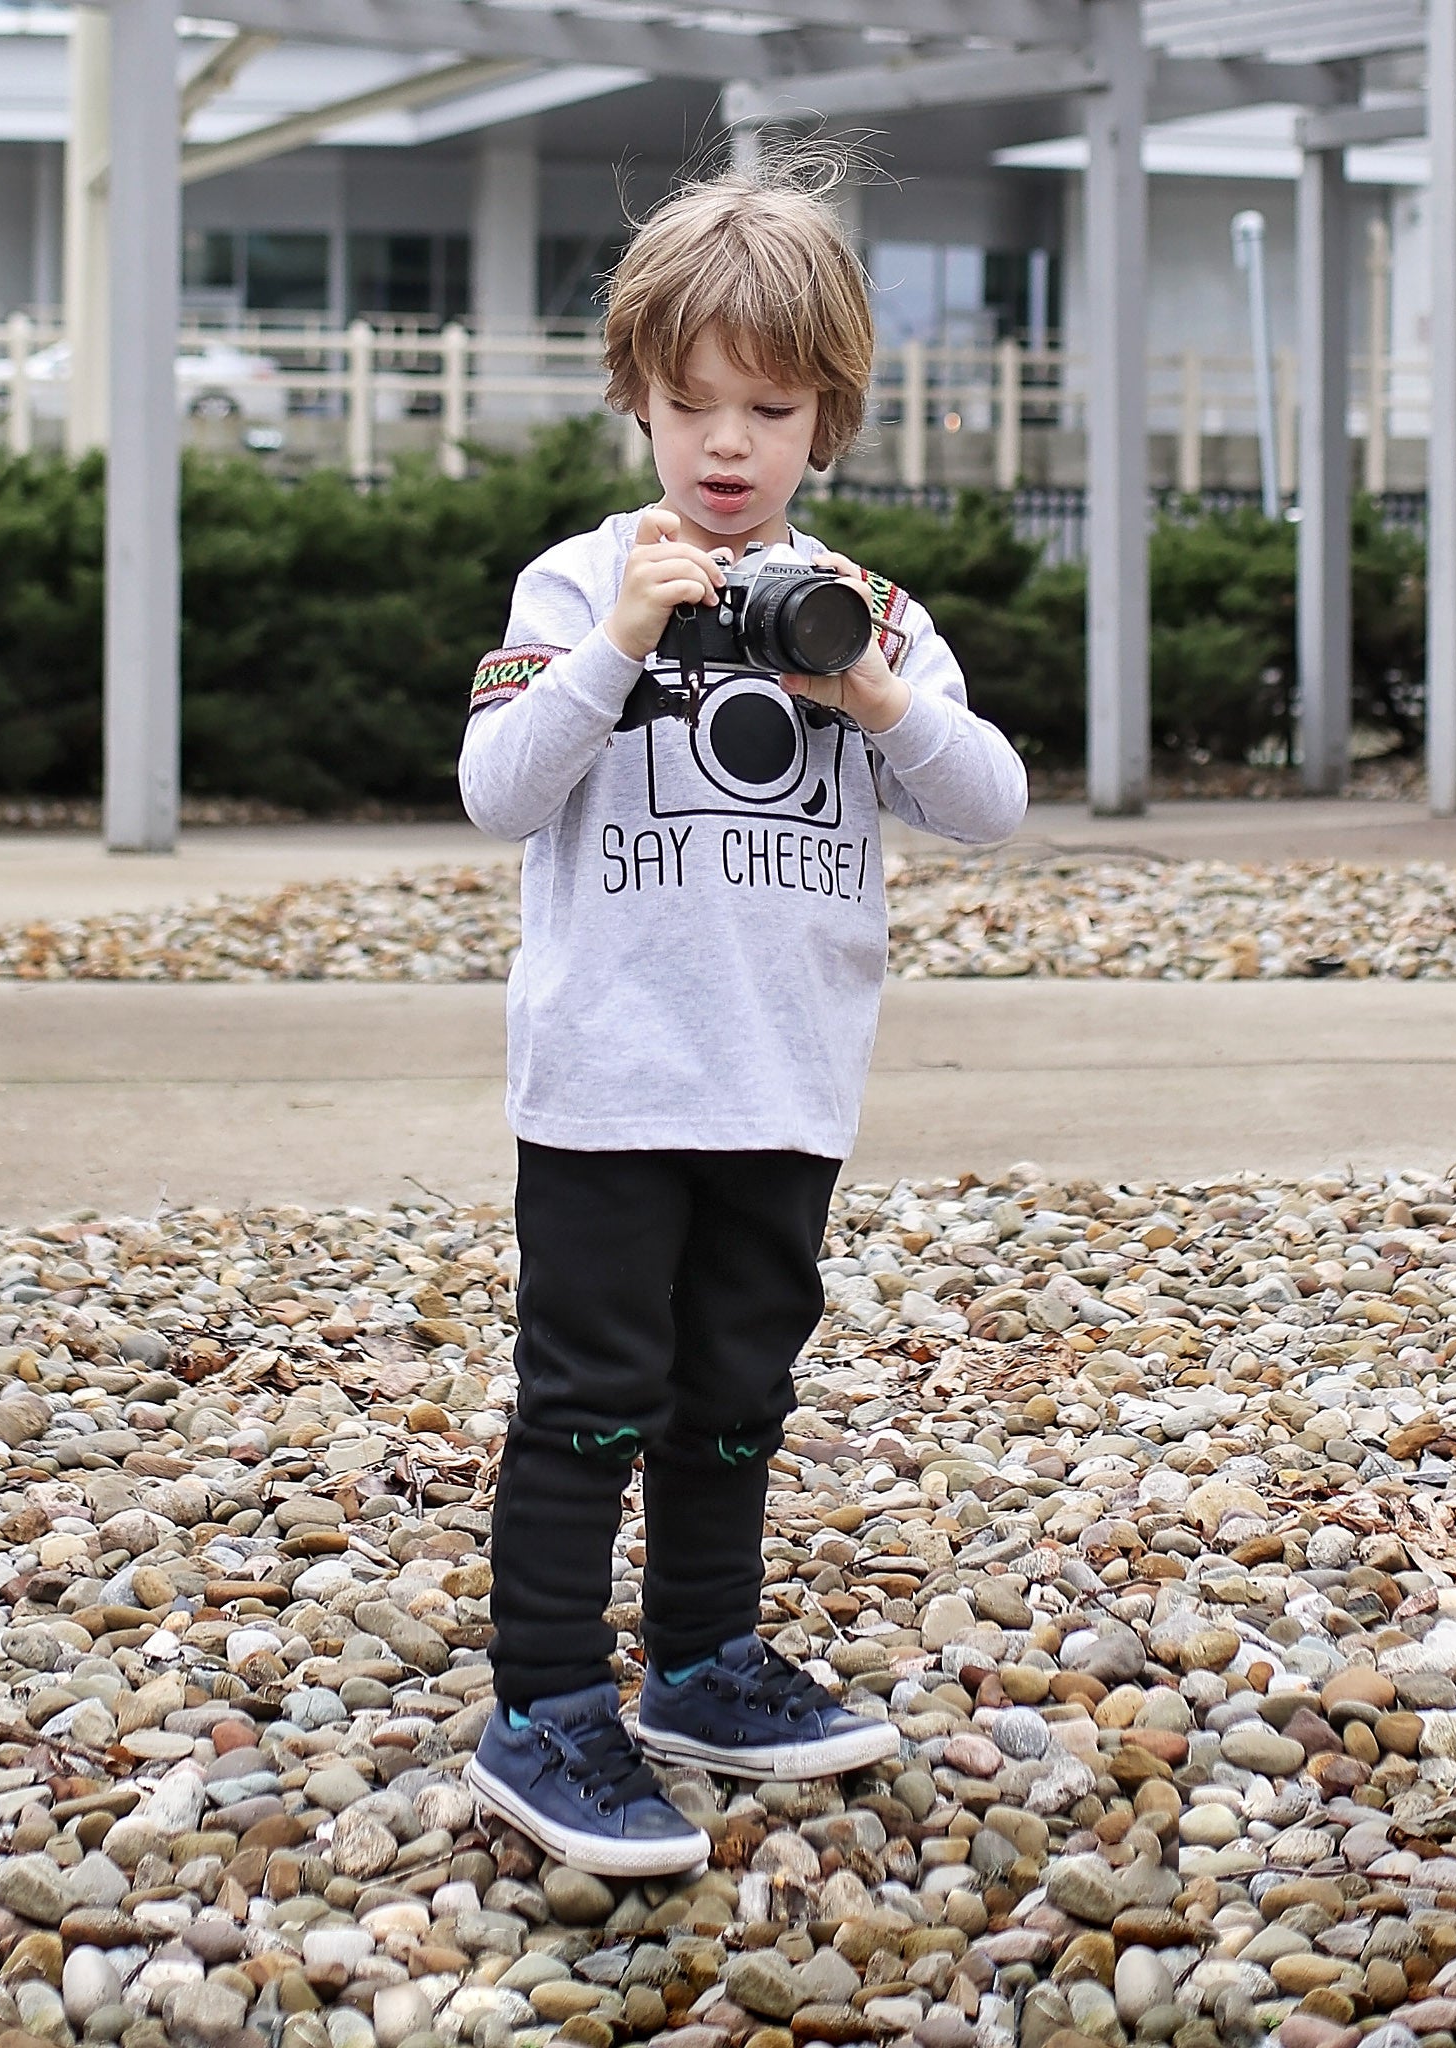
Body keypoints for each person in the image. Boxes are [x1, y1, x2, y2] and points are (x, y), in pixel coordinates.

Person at [457, 152, 1030, 1878]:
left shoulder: (867, 613)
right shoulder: (575, 589)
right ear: (635, 395)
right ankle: (544, 1700)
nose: (727, 446)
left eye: (768, 409)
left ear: (826, 420)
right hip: (610, 1092)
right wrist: (621, 644)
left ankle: (704, 1663)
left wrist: (862, 690)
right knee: (587, 1397)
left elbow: (992, 805)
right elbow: (497, 791)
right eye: (692, 403)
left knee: (732, 1394)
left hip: (783, 1089)